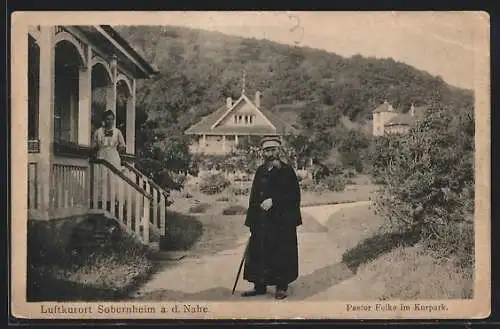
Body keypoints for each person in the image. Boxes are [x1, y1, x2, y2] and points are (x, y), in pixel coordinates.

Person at [241, 136, 302, 300]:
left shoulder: (287, 171)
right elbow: (254, 196)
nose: (270, 153)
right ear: (263, 153)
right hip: (262, 221)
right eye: (267, 151)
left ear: (278, 151)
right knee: (259, 252)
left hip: (281, 221)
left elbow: (294, 195)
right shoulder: (260, 171)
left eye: (273, 150)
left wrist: (274, 200)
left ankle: (281, 287)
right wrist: (251, 220)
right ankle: (259, 286)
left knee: (281, 252)